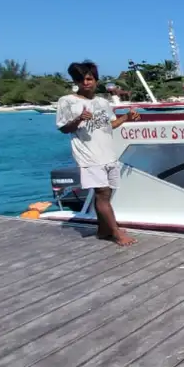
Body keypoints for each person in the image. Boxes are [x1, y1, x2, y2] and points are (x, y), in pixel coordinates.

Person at [56, 61, 140, 246]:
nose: (85, 83)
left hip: (107, 154)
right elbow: (63, 129)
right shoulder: (67, 101)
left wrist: (126, 117)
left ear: (96, 80)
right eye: (80, 79)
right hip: (88, 155)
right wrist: (78, 119)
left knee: (106, 193)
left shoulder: (102, 102)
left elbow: (109, 125)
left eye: (88, 78)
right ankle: (116, 232)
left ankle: (103, 230)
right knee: (102, 192)